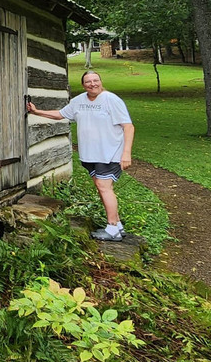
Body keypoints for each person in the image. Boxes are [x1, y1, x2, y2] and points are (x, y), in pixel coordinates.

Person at [26, 70, 135, 242]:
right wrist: (36, 112)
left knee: (104, 187)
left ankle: (112, 228)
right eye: (88, 81)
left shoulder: (111, 100)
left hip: (109, 153)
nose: (93, 84)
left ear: (100, 81)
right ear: (84, 85)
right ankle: (118, 225)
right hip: (90, 155)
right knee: (102, 188)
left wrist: (126, 153)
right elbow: (61, 114)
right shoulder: (79, 101)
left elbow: (128, 127)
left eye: (95, 80)